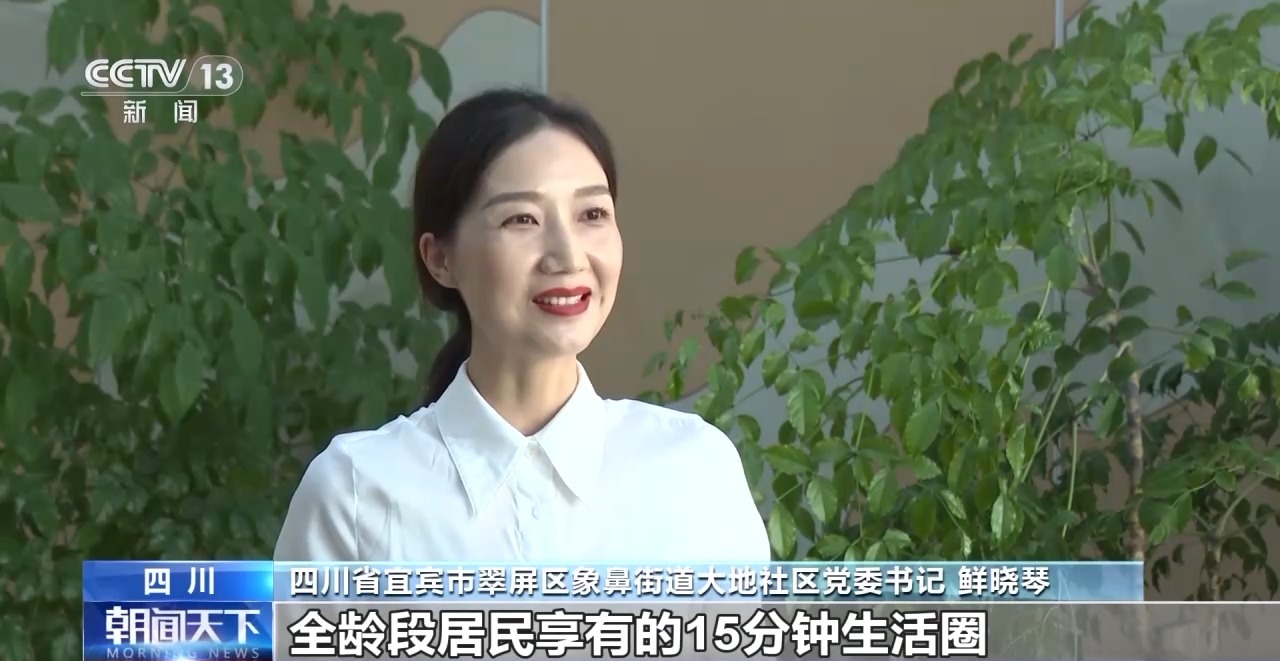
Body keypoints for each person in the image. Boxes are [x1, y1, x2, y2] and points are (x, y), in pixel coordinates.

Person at [274, 88, 769, 564]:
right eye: (522, 220)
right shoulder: (355, 491)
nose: (568, 256)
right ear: (441, 259)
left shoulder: (694, 470)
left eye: (592, 214)